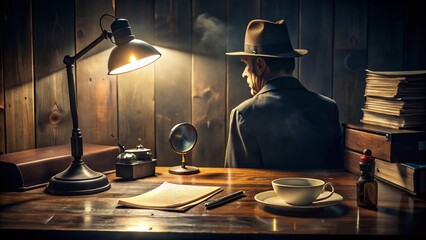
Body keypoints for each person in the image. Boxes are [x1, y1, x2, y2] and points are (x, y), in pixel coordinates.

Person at [224, 19, 343, 170]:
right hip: (321, 195)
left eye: (245, 64)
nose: (243, 73)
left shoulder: (244, 114)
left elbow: (237, 182)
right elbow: (338, 174)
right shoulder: (328, 108)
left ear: (260, 65)